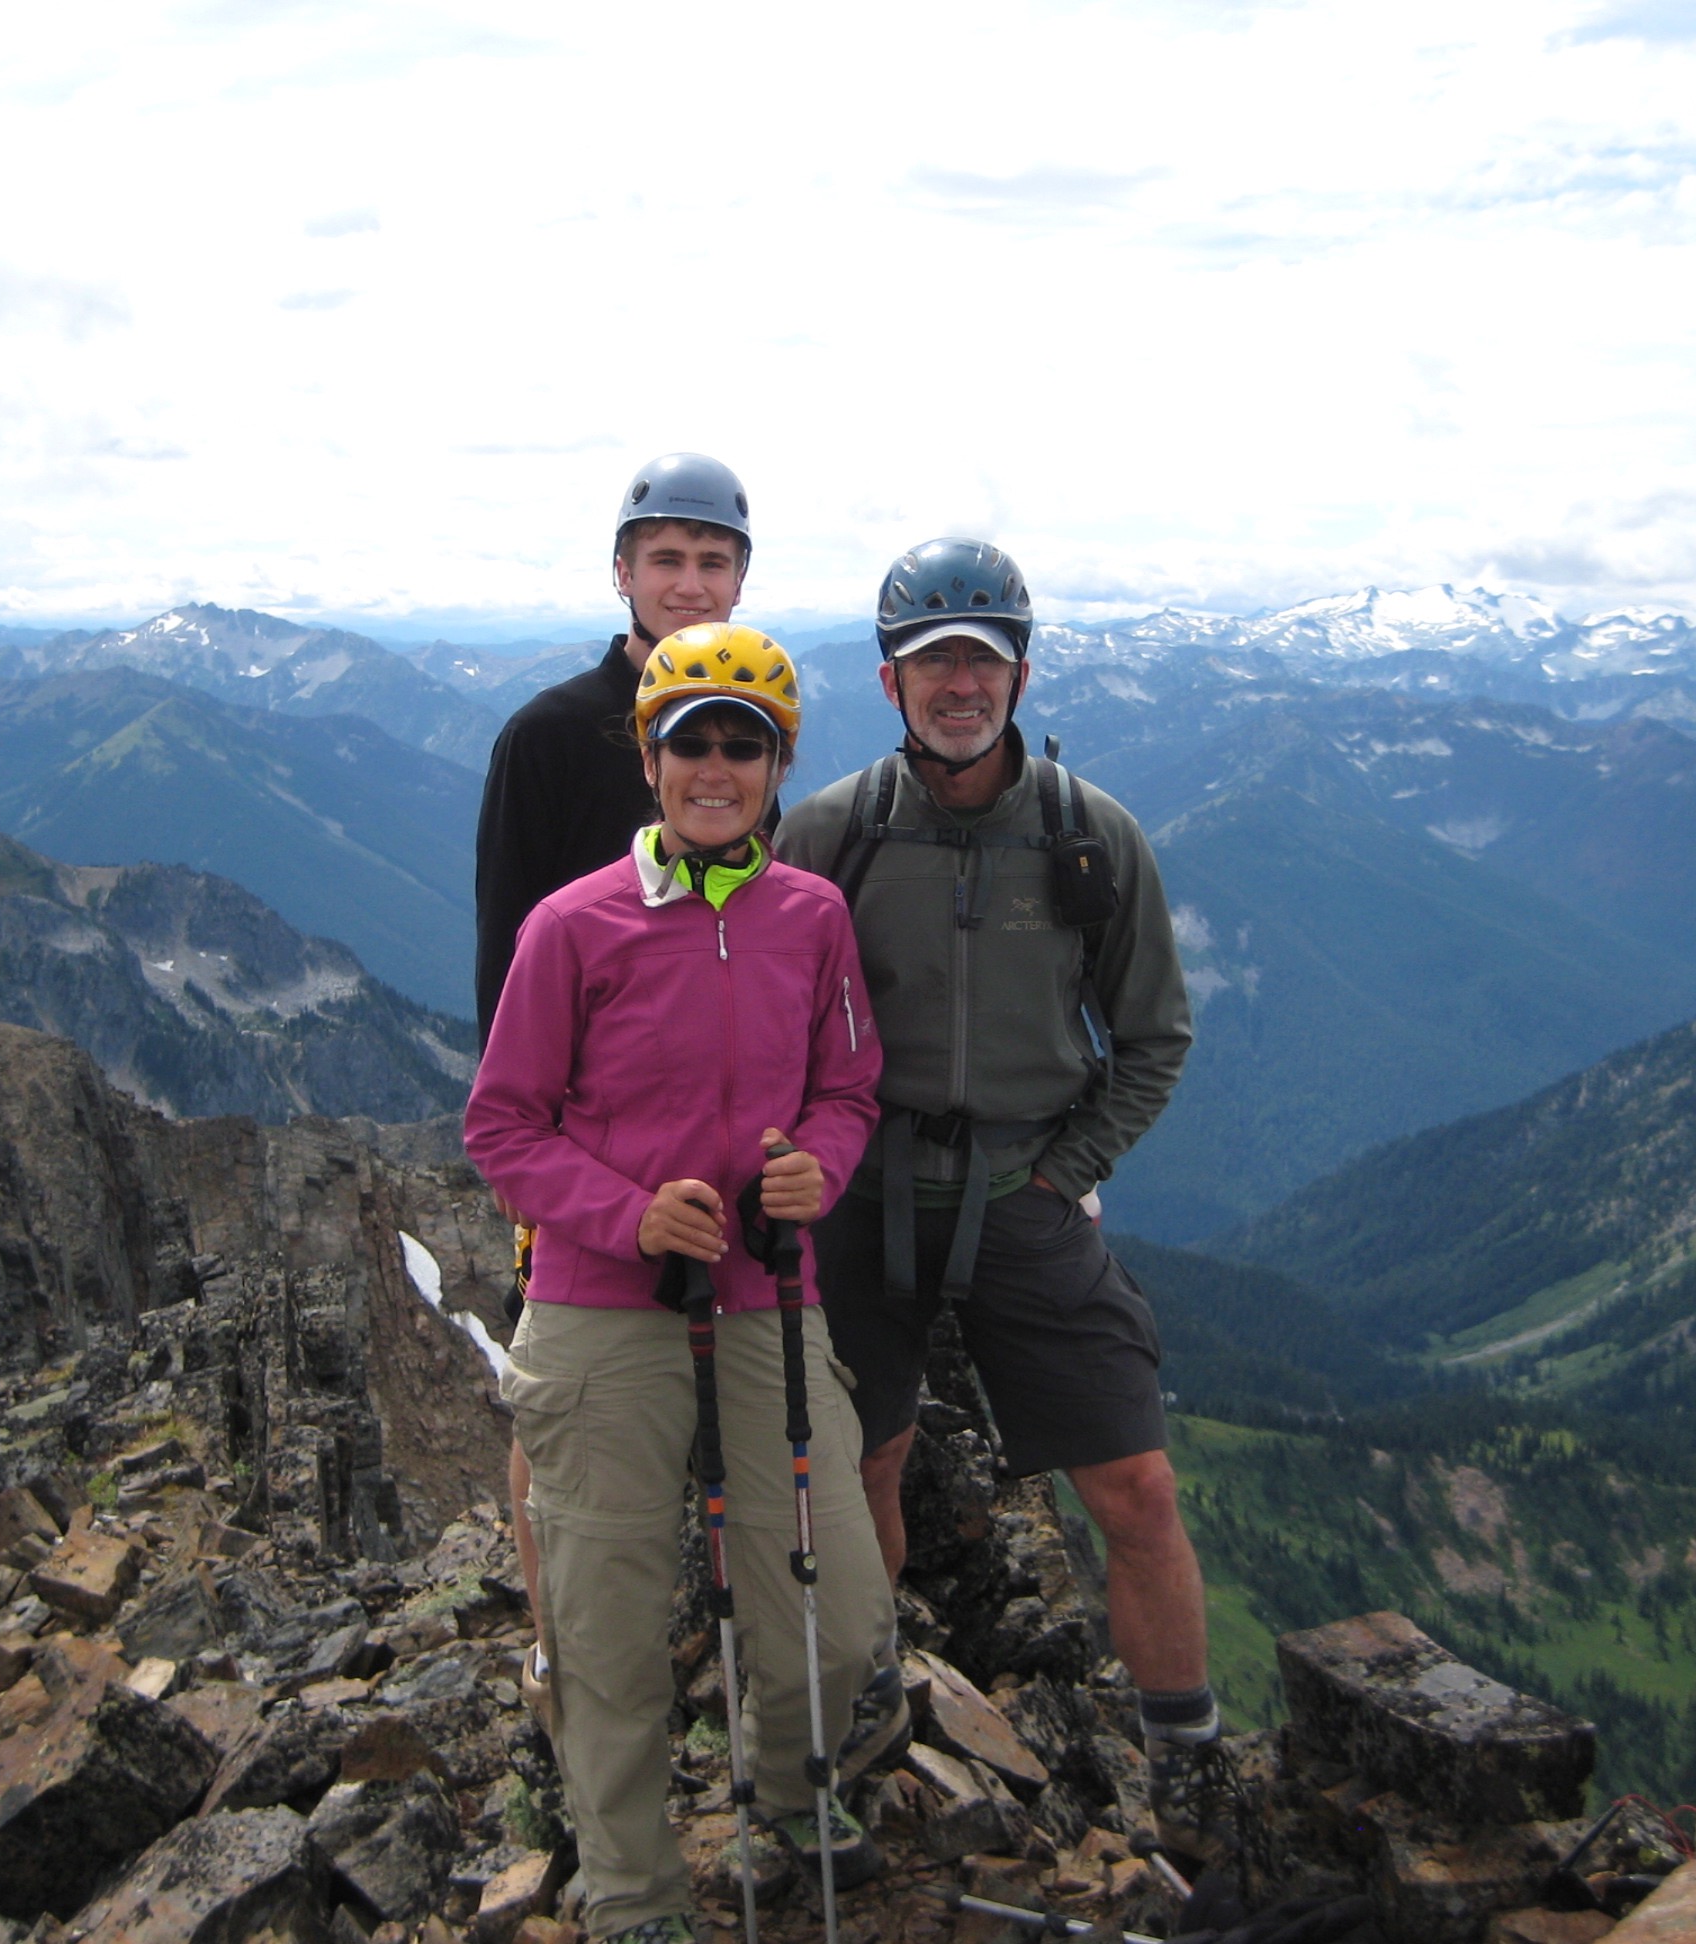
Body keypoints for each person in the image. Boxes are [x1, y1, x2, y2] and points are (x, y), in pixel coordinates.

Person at [773, 538, 1224, 1861]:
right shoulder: (835, 833)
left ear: (1021, 675)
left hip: (1024, 1195)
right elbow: (764, 1019)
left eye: (982, 660)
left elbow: (1154, 1036)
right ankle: (865, 1705)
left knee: (1136, 1487)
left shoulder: (1090, 837)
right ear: (889, 682)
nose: (959, 685)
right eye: (933, 664)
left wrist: (1069, 1172)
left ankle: (1188, 1761)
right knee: (864, 1465)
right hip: (862, 1191)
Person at [465, 625, 894, 1944]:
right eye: (690, 742)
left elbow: (848, 1087)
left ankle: (790, 1787)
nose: (717, 767)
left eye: (743, 746)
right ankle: (637, 1896)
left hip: (767, 1295)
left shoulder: (812, 919)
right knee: (605, 1629)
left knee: (837, 1614)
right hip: (602, 1307)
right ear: (650, 761)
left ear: (778, 766)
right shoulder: (571, 927)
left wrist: (817, 1167)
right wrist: (629, 1212)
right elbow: (502, 1126)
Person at [472, 453, 754, 1741]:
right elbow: (503, 954)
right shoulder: (547, 737)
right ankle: (560, 1648)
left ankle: (702, 1628)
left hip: (710, 1134)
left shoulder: (743, 726)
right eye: (668, 559)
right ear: (624, 572)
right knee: (563, 1381)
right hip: (581, 1143)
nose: (690, 583)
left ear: (740, 579)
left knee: (706, 1367)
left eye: (713, 561)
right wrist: (529, 1157)